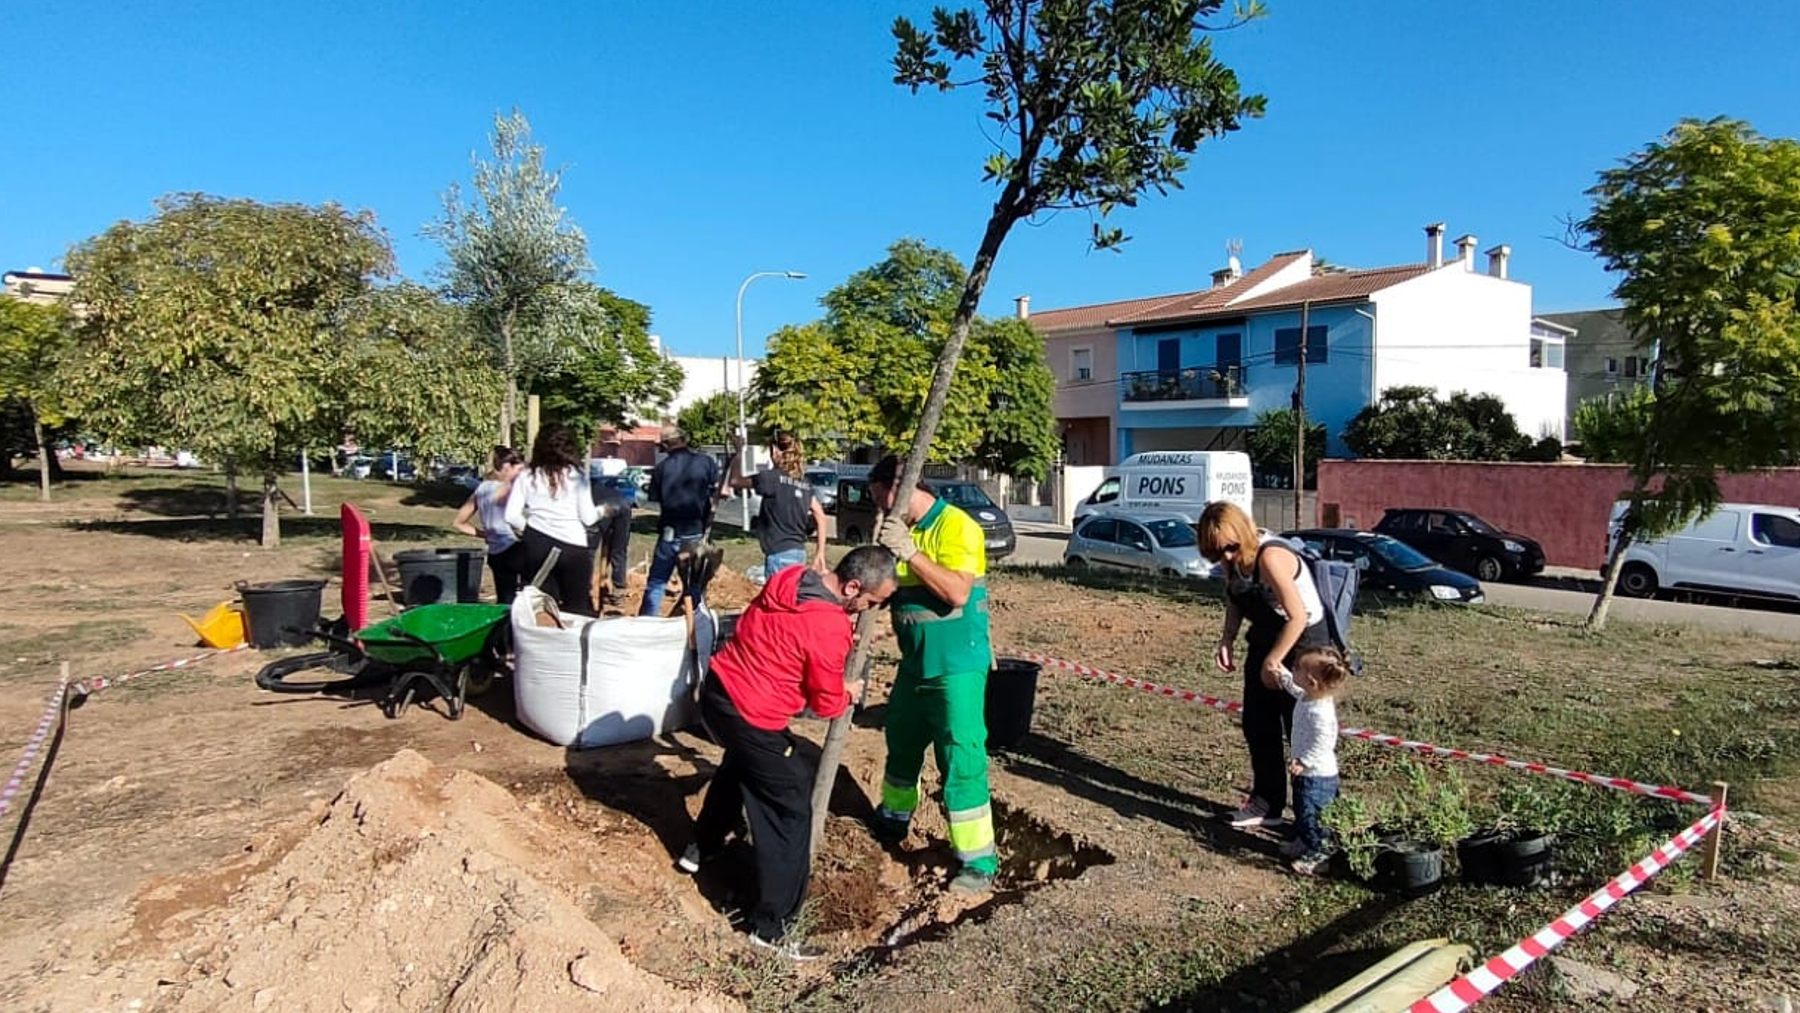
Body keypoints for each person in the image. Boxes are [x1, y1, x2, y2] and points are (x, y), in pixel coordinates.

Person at [679, 546, 899, 959]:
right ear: (852, 586)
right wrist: (847, 691)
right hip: (752, 711)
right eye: (870, 602)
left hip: (720, 689)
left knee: (742, 764)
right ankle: (772, 929)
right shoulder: (828, 627)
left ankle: (701, 848)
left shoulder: (793, 581)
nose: (870, 610)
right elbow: (826, 701)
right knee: (791, 809)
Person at [865, 455, 999, 894]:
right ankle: (894, 817)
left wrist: (909, 552)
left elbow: (957, 592)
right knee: (901, 743)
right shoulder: (897, 532)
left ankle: (977, 859)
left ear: (897, 487)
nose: (878, 509)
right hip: (915, 664)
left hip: (957, 665)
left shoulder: (957, 526)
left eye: (879, 498)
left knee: (960, 757)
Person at [1197, 500, 1328, 829]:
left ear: (1242, 534)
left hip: (1303, 646)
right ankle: (1266, 803)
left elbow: (1298, 617)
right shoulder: (1232, 563)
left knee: (1301, 732)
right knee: (1257, 724)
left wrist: (1275, 660)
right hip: (1266, 639)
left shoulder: (1270, 556)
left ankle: (1312, 821)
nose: (1225, 557)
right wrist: (1227, 639)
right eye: (1216, 554)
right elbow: (1235, 599)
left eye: (1229, 548)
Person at [504, 424, 600, 616]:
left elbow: (511, 515)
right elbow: (588, 518)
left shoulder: (527, 476)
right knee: (576, 608)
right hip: (573, 546)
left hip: (537, 546)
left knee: (539, 608)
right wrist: (604, 511)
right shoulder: (577, 476)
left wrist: (533, 531)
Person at [1276, 646, 1351, 875]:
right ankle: (1304, 840)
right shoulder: (1309, 697)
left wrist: (1304, 761)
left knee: (1313, 815)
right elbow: (1295, 690)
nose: (1293, 669)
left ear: (1311, 680)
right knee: (1302, 808)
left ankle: (1319, 853)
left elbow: (1324, 742)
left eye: (1296, 668)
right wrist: (1284, 676)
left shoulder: (1320, 713)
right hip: (1307, 774)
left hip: (1317, 776)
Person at [722, 431, 828, 580]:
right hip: (799, 553)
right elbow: (821, 517)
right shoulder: (805, 484)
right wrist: (820, 553)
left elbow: (735, 481)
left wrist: (739, 452)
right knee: (790, 598)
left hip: (779, 554)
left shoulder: (770, 478)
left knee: (776, 601)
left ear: (775, 450)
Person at [639, 424, 720, 616]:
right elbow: (718, 489)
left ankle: (647, 622)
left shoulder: (660, 469)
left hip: (670, 532)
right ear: (684, 440)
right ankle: (694, 620)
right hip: (695, 532)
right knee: (694, 582)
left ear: (665, 445)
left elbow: (654, 497)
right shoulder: (705, 462)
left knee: (658, 581)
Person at [452, 446, 526, 605]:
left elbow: (459, 523)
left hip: (495, 553)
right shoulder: (509, 489)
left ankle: (504, 628)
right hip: (514, 548)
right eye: (519, 469)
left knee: (504, 599)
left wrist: (485, 534)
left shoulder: (482, 489)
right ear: (507, 467)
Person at [588, 437, 633, 608]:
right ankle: (619, 591)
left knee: (589, 551)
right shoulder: (611, 487)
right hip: (623, 507)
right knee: (618, 551)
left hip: (603, 509)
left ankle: (585, 589)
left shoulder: (588, 489)